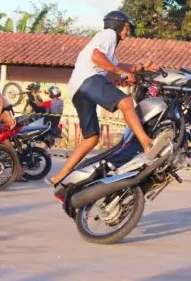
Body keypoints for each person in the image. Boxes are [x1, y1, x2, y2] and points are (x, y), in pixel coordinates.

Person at [47, 11, 154, 187]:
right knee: (126, 102)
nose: (128, 33)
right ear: (118, 25)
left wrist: (140, 68)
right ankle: (146, 143)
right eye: (127, 28)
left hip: (76, 88)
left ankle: (59, 176)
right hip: (88, 80)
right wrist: (121, 73)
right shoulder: (108, 34)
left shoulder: (106, 46)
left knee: (91, 138)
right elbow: (96, 57)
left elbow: (117, 65)